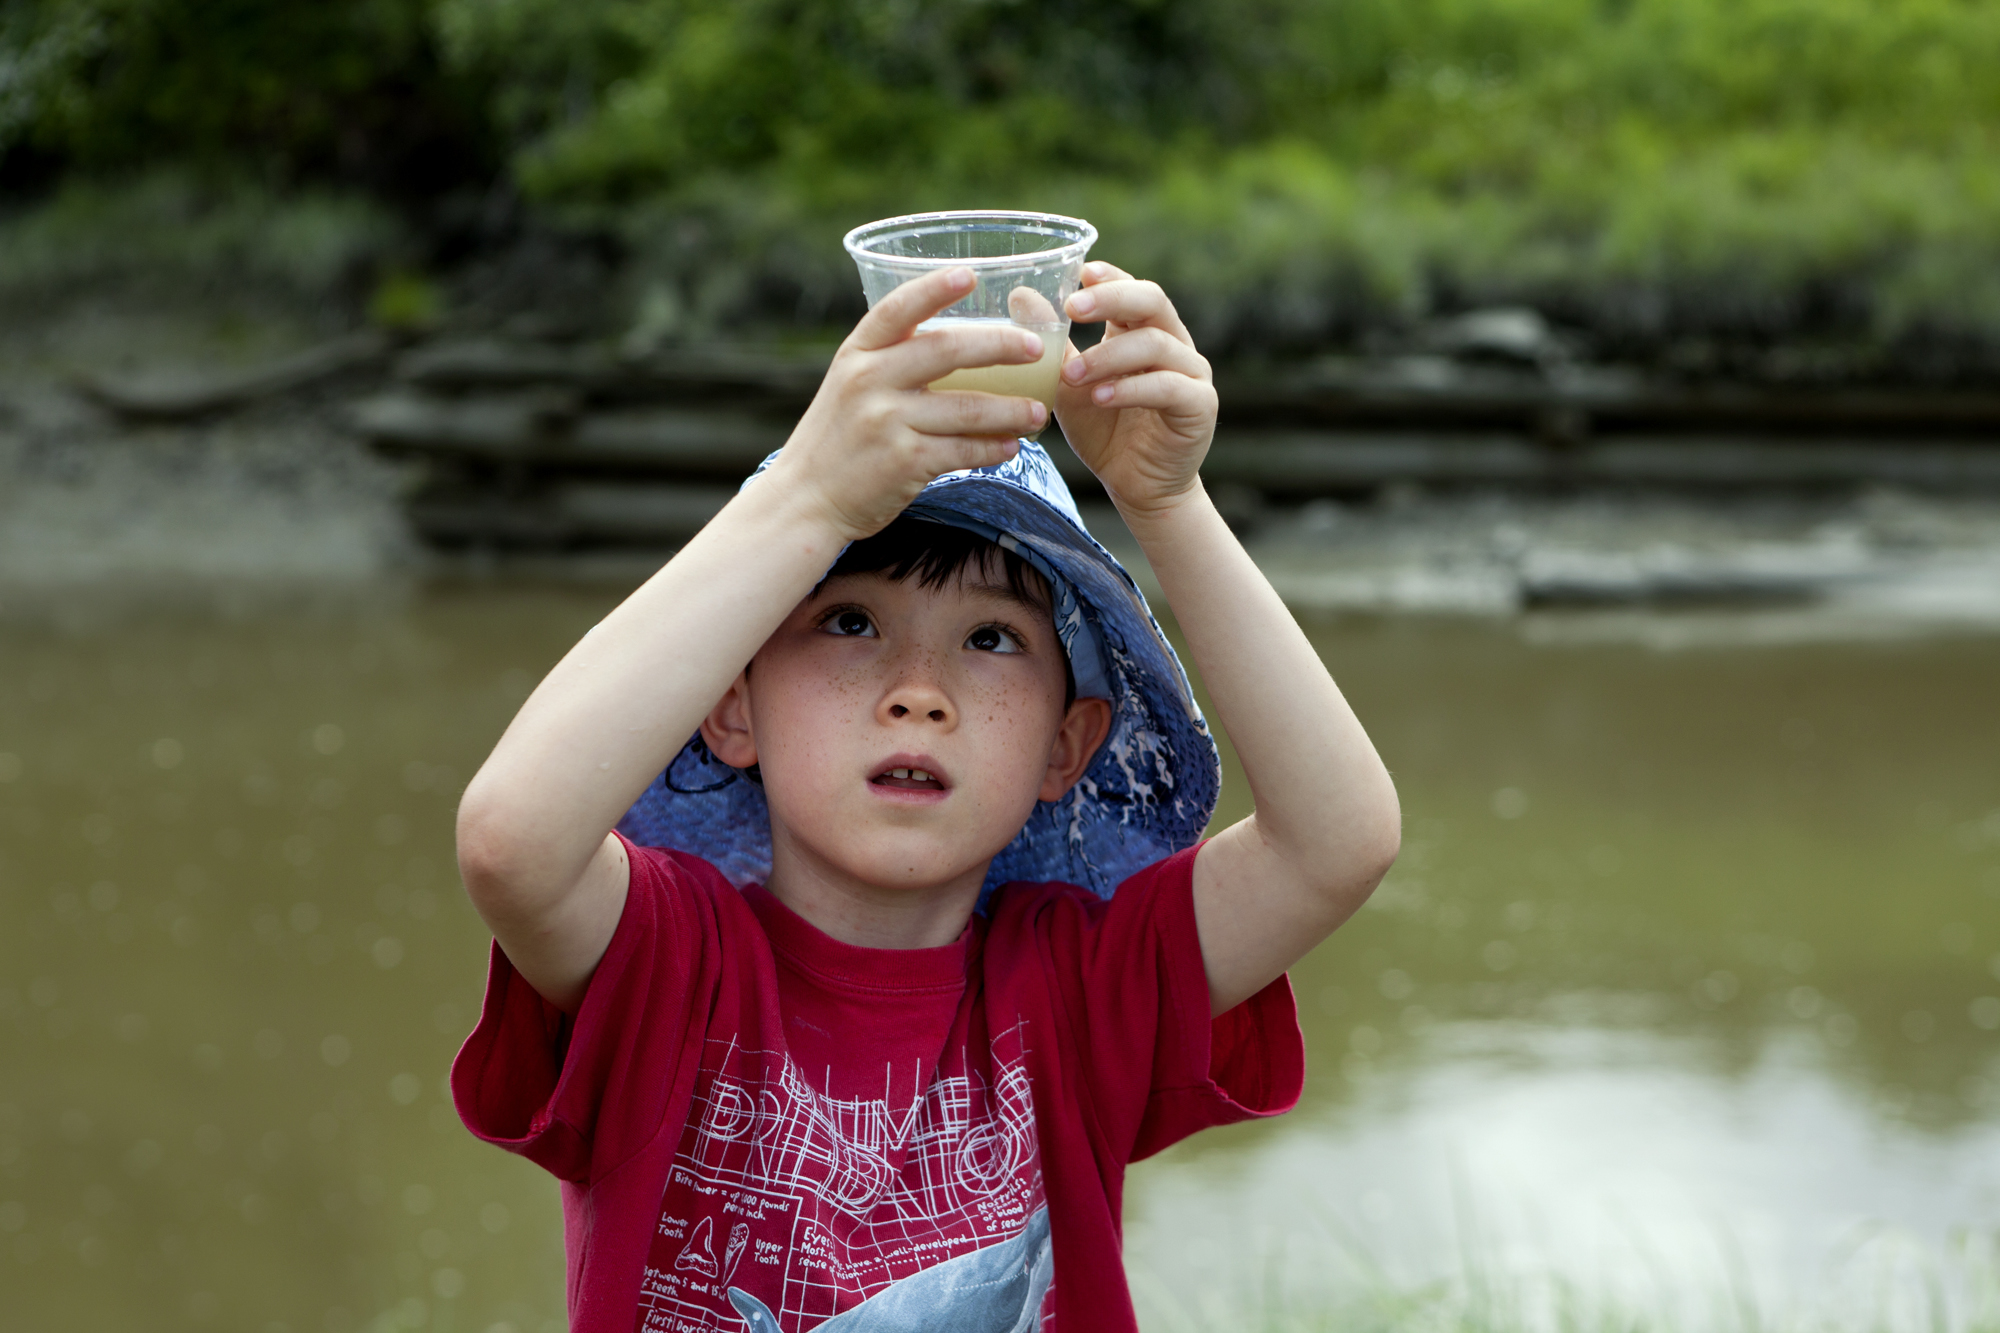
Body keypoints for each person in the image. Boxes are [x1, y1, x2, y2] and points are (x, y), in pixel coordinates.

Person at [450, 260, 1402, 1333]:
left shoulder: (1076, 984)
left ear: (1065, 746)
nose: (918, 695)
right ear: (731, 708)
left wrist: (1164, 502)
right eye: (849, 624)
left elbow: (1337, 841)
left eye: (990, 639)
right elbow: (509, 840)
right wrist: (808, 496)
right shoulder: (671, 961)